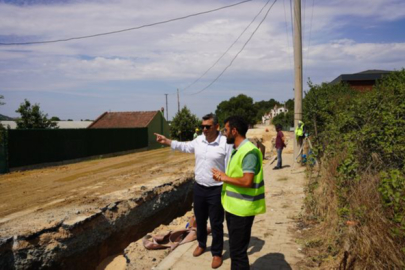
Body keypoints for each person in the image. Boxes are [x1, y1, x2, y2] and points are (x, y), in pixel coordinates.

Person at [154, 113, 232, 269]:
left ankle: (217, 253)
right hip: (199, 188)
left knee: (216, 223)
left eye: (207, 126)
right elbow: (185, 146)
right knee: (200, 220)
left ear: (216, 127)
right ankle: (201, 244)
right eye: (202, 126)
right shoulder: (199, 140)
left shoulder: (225, 143)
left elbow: (230, 166)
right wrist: (168, 141)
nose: (204, 129)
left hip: (216, 190)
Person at [211, 116, 266, 270]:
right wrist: (223, 177)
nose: (224, 133)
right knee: (236, 251)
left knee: (238, 253)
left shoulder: (248, 152)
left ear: (234, 131)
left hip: (242, 210)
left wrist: (224, 177)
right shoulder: (239, 150)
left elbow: (247, 182)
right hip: (235, 208)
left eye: (226, 130)